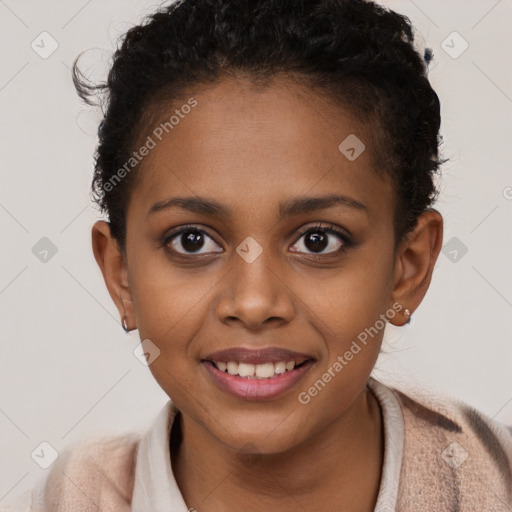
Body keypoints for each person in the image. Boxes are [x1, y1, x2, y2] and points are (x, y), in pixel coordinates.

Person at [5, 0, 512, 510]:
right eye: (192, 240)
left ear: (409, 268)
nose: (252, 303)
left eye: (319, 240)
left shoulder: (494, 481)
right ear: (121, 276)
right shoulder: (68, 499)